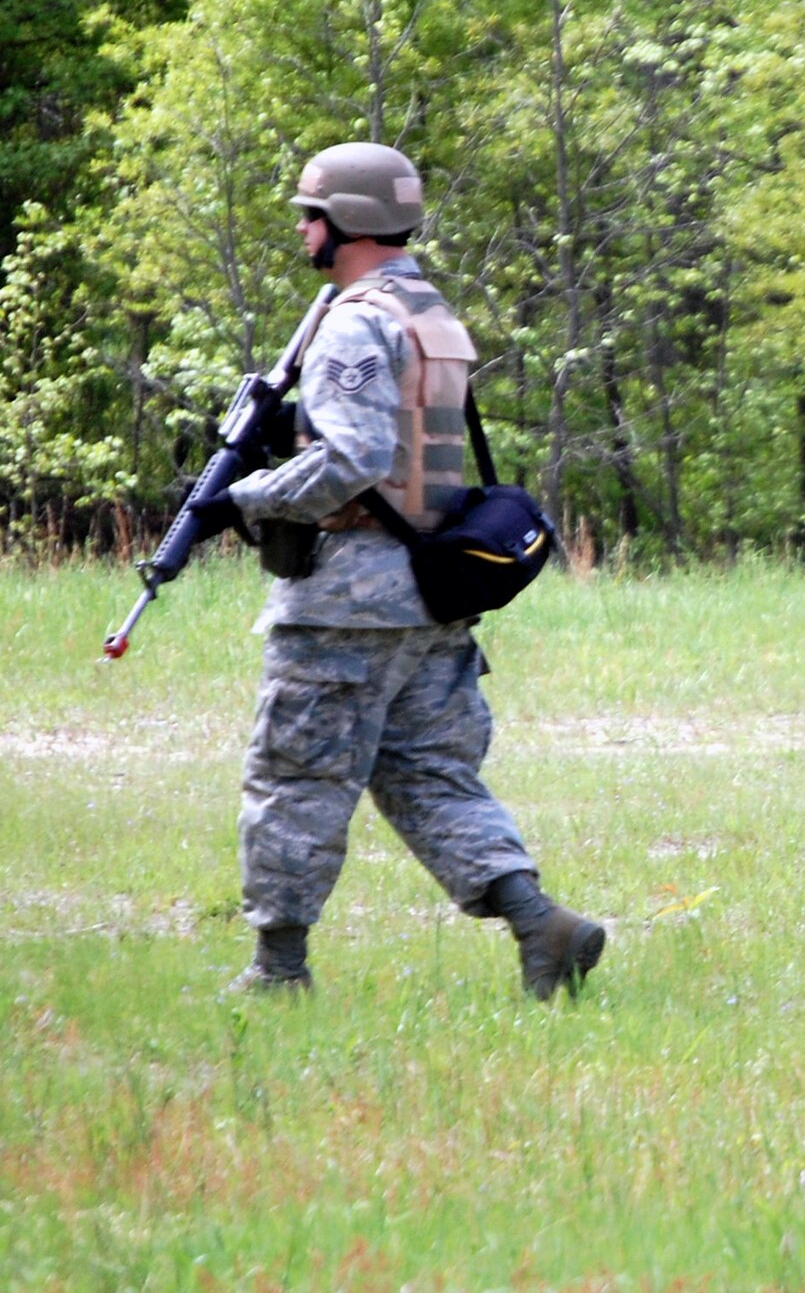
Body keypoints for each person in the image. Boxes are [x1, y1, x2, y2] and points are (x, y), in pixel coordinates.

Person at [186, 141, 605, 999]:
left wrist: (248, 500)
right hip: (429, 595)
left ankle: (277, 972)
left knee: (296, 778)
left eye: (310, 215)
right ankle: (541, 925)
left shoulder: (354, 318)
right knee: (427, 774)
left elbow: (356, 457)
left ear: (346, 223)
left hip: (350, 600)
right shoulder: (429, 312)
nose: (302, 230)